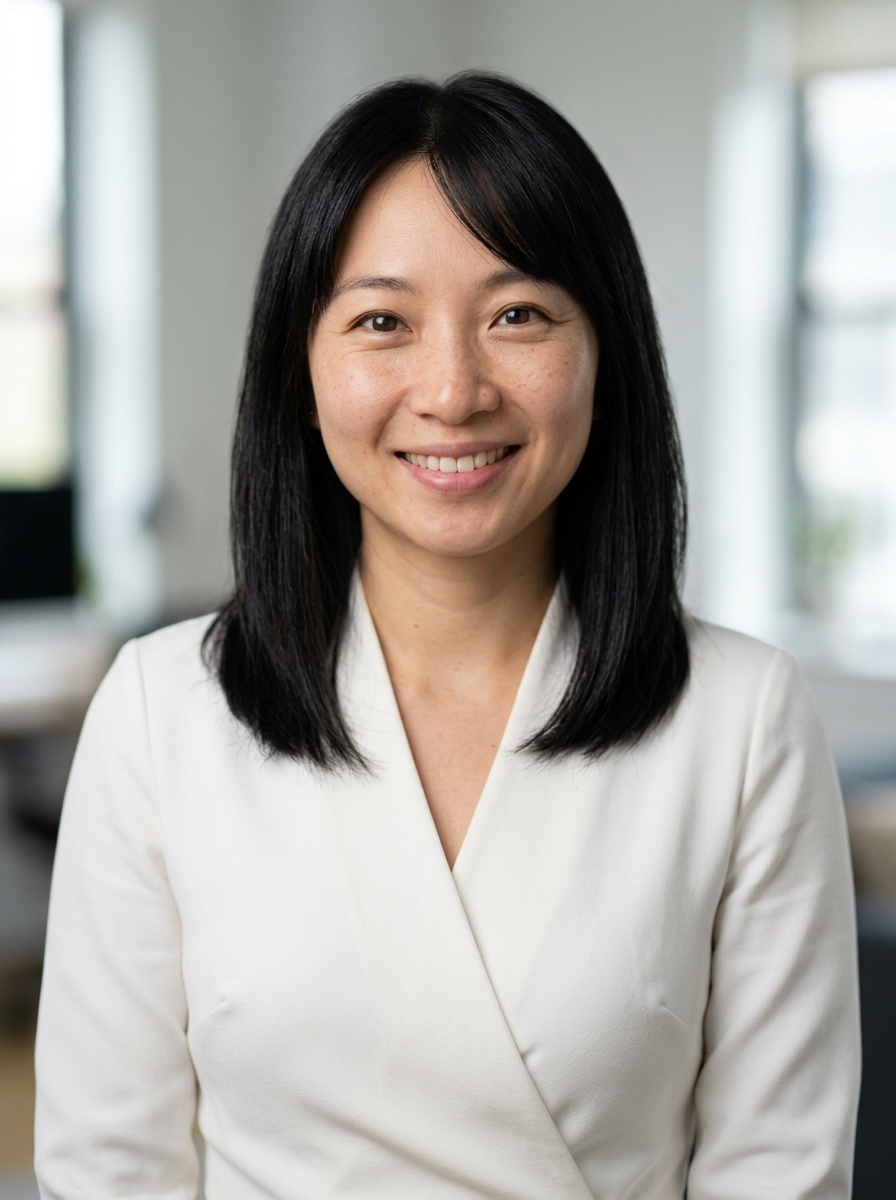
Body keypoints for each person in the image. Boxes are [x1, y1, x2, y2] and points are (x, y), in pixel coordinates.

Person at [34, 72, 860, 1199]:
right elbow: (106, 1169)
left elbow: (781, 1172)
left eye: (517, 315)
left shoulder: (744, 718)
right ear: (300, 373)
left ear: (604, 357)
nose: (452, 389)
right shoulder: (158, 710)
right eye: (381, 322)